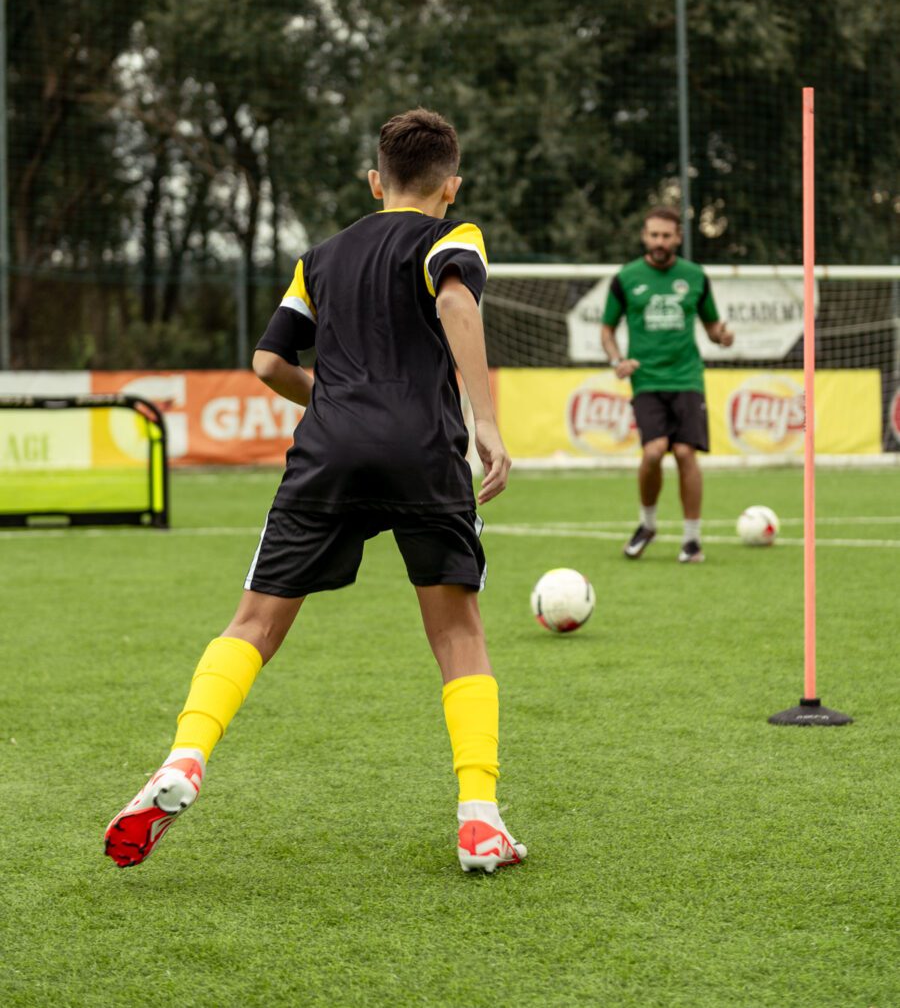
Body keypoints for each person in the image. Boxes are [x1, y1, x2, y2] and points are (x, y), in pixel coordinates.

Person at [104, 108, 525, 875]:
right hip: (423, 452)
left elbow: (268, 364)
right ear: (451, 187)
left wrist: (330, 403)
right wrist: (487, 422)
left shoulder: (321, 257)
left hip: (327, 452)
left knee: (255, 623)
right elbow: (458, 303)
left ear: (375, 181)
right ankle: (480, 819)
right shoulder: (452, 239)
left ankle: (184, 759)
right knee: (458, 635)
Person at [600, 206, 733, 564]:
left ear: (678, 237)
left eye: (666, 236)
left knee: (687, 453)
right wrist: (617, 361)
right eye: (654, 235)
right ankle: (648, 524)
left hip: (687, 377)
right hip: (646, 379)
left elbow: (712, 327)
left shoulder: (695, 277)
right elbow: (607, 330)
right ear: (645, 236)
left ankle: (691, 540)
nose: (660, 242)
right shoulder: (626, 278)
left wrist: (723, 336)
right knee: (654, 451)